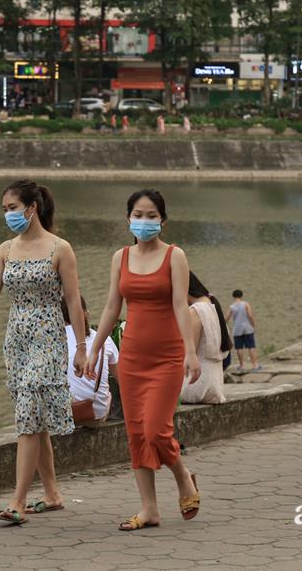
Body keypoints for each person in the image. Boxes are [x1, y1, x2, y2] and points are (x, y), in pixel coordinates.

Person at [0, 180, 87, 525]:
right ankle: (52, 494)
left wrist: (81, 346)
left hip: (48, 334)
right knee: (35, 417)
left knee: (29, 411)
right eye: (4, 210)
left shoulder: (61, 248)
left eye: (13, 208)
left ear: (31, 208)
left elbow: (74, 301)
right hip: (16, 337)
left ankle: (17, 500)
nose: (8, 215)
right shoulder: (5, 250)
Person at [86, 189, 201, 531]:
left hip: (167, 356)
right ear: (128, 219)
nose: (145, 221)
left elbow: (182, 305)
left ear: (162, 220)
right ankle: (149, 509)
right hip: (132, 356)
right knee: (136, 432)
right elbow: (111, 307)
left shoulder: (174, 256)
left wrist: (190, 352)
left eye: (152, 216)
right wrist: (94, 348)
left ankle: (183, 476)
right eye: (139, 214)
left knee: (156, 430)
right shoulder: (120, 257)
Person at [61, 296, 118, 423]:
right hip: (97, 412)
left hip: (65, 414)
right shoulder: (104, 340)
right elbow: (122, 379)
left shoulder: (53, 342)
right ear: (87, 313)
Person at [180, 272, 231, 404]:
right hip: (214, 385)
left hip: (194, 387)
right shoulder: (212, 306)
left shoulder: (194, 311)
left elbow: (189, 353)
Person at [225, 289, 261, 374]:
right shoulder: (246, 304)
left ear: (233, 296)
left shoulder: (232, 307)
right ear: (241, 296)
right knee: (251, 346)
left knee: (239, 347)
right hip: (247, 328)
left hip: (237, 329)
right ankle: (255, 364)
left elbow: (226, 318)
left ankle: (241, 365)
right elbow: (250, 315)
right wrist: (253, 325)